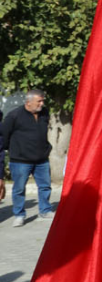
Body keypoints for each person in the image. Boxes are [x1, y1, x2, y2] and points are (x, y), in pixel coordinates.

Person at [1, 90, 53, 227]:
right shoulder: (14, 116)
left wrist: (47, 149)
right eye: (39, 101)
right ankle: (19, 215)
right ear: (28, 102)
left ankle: (45, 210)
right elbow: (4, 135)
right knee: (19, 189)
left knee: (45, 186)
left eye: (43, 101)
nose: (42, 103)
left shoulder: (44, 112)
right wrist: (12, 150)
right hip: (20, 161)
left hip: (42, 159)